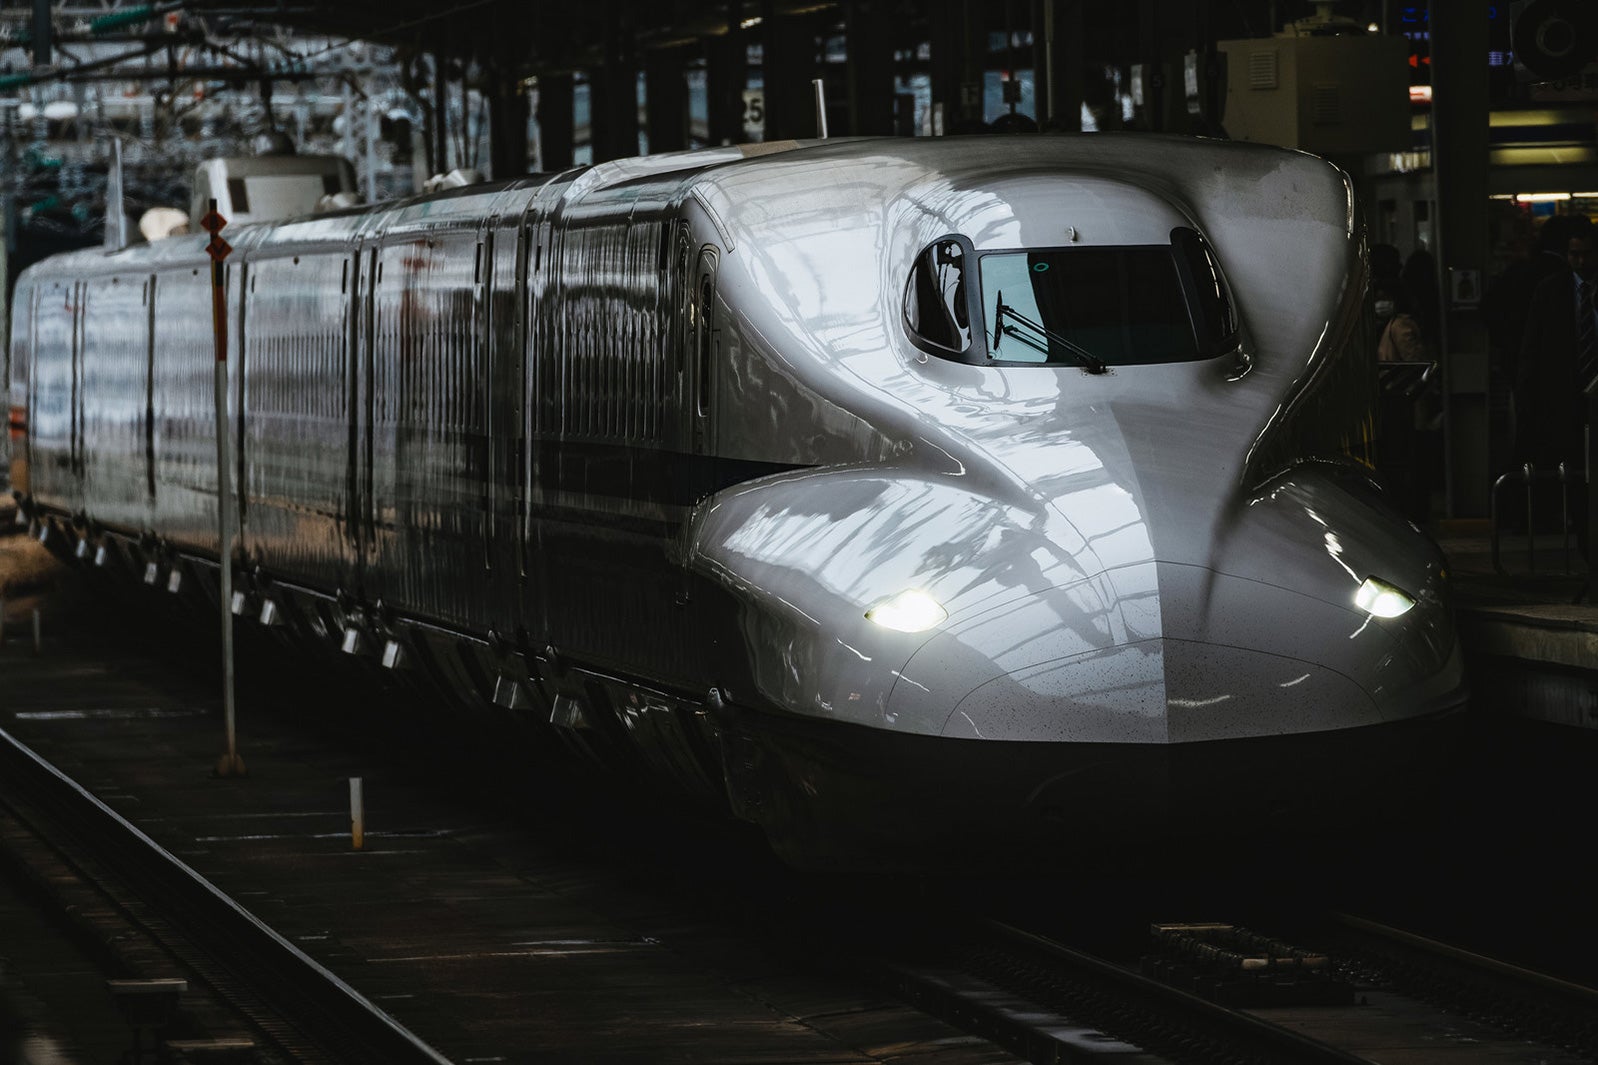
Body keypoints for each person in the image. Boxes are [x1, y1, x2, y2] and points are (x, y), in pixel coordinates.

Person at [1516, 218, 1598, 546]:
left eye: (1586, 254)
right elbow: (1532, 348)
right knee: (1576, 480)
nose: (1580, 261)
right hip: (1566, 401)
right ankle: (1587, 542)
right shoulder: (1551, 291)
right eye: (1574, 254)